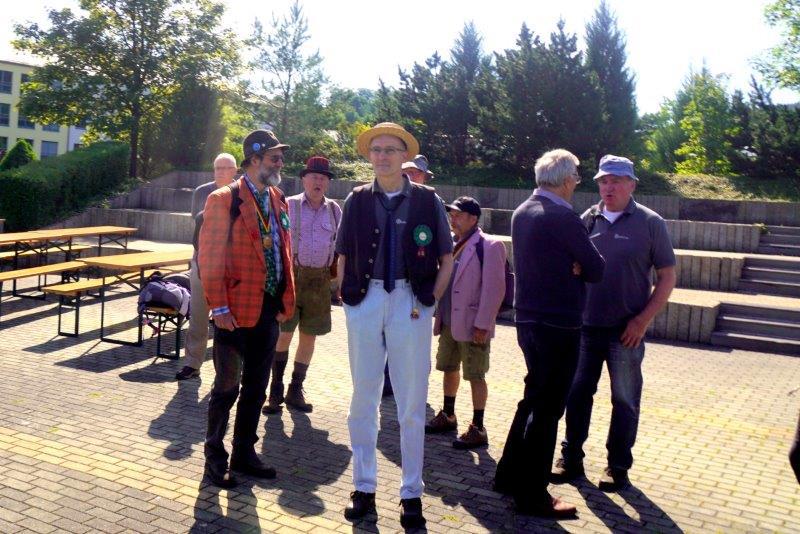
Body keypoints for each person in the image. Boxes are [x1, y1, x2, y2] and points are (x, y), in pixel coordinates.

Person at [335, 122, 454, 528]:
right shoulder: (355, 199)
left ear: (405, 156)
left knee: (411, 402)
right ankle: (363, 487)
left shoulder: (427, 200)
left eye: (390, 150)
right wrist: (350, 301)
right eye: (377, 149)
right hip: (365, 299)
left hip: (411, 300)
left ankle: (411, 493)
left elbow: (447, 258)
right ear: (369, 156)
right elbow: (342, 255)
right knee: (363, 398)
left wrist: (431, 299)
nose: (382, 156)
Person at [553, 155, 676, 492]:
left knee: (624, 400)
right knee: (578, 395)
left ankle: (618, 466)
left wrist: (642, 321)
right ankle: (571, 458)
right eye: (604, 181)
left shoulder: (650, 223)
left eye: (617, 181)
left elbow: (667, 276)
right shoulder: (586, 219)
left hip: (626, 332)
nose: (609, 187)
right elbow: (570, 265)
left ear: (631, 185)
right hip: (585, 328)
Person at [493, 149, 605, 518]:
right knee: (548, 409)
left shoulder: (523, 211)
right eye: (576, 177)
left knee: (533, 398)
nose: (577, 183)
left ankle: (508, 474)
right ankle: (533, 495)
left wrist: (575, 263)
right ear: (567, 179)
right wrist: (578, 265)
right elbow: (596, 268)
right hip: (559, 323)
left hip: (528, 320)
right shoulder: (564, 216)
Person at [197, 130, 295, 488]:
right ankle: (214, 457)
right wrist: (219, 306)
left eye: (280, 157)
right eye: (274, 158)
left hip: (268, 309)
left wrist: (286, 297)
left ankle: (244, 452)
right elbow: (209, 257)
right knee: (226, 387)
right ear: (254, 160)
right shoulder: (224, 199)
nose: (280, 163)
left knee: (256, 386)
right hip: (234, 310)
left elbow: (284, 250)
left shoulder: (278, 199)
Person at [425, 196, 506, 450]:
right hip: (449, 321)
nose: (453, 218)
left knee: (475, 375)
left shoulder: (489, 245)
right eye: (451, 214)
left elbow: (494, 290)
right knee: (448, 368)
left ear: (473, 218)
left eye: (458, 214)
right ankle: (448, 415)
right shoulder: (450, 244)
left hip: (473, 325)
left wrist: (484, 324)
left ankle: (478, 427)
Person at [263, 156, 341, 414]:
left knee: (309, 336)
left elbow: (340, 248)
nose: (318, 182)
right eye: (314, 177)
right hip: (291, 279)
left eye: (323, 178)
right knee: (284, 334)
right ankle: (275, 389)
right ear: (304, 179)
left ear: (328, 183)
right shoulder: (288, 205)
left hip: (320, 281)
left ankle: (295, 389)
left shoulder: (334, 210)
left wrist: (339, 282)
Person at [175, 153, 238, 380]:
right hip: (203, 260)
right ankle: (192, 363)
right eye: (218, 168)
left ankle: (226, 372)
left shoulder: (242, 193)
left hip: (232, 264)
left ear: (235, 170)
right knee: (199, 315)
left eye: (227, 168)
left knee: (229, 319)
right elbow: (199, 224)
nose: (222, 172)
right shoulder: (202, 192)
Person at [380, 153, 436, 398]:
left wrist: (434, 291)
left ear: (424, 177)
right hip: (389, 283)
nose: (411, 177)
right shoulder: (388, 200)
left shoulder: (432, 203)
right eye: (408, 172)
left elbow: (443, 251)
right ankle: (388, 381)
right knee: (388, 335)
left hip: (420, 285)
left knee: (416, 337)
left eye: (416, 173)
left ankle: (416, 383)